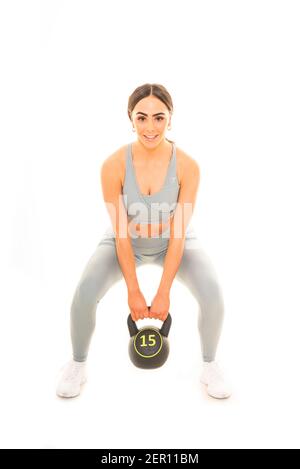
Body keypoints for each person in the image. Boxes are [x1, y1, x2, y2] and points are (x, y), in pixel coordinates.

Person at [56, 83, 232, 400]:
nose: (150, 127)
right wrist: (134, 290)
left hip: (174, 242)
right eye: (142, 117)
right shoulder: (112, 165)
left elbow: (178, 231)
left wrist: (163, 293)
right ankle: (77, 363)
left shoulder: (189, 166)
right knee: (85, 291)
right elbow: (121, 231)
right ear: (130, 118)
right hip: (124, 242)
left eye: (159, 118)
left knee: (213, 293)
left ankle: (210, 364)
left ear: (170, 118)